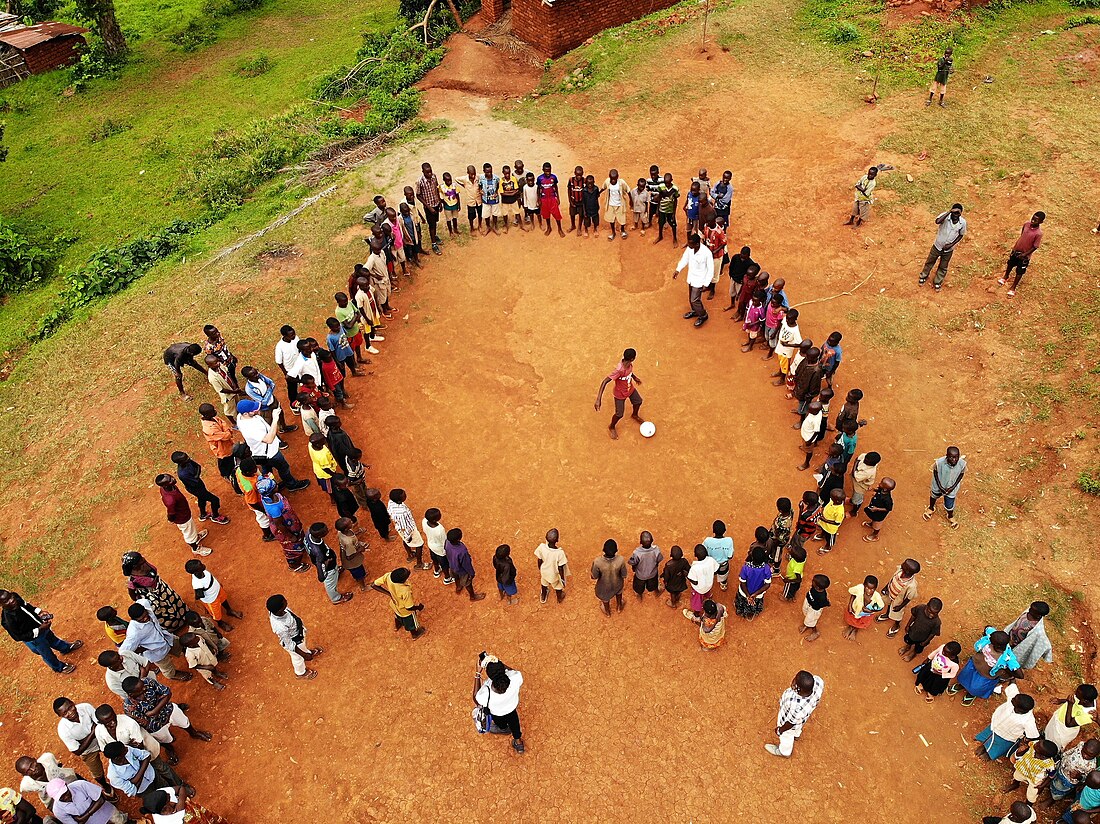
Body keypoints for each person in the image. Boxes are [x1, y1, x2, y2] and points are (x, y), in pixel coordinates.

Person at [0, 590, 82, 675]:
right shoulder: (8, 621)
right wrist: (39, 630)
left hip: (41, 625)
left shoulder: (15, 597)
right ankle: (59, 667)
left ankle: (66, 648)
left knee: (53, 639)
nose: (12, 600)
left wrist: (39, 612)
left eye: (10, 597)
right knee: (47, 653)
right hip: (34, 638)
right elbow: (18, 637)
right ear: (1, 604)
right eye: (6, 601)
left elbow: (27, 606)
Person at [235, 400, 310, 492]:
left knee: (267, 469)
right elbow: (269, 439)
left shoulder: (240, 417)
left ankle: (270, 486)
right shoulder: (250, 428)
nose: (257, 410)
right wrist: (275, 419)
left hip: (259, 452)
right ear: (246, 413)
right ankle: (291, 485)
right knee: (284, 468)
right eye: (254, 410)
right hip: (271, 453)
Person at [122, 675, 211, 745]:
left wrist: (154, 711)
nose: (145, 688)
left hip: (168, 709)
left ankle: (193, 733)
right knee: (165, 740)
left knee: (184, 722)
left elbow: (167, 693)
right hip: (155, 726)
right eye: (140, 690)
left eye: (143, 685)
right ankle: (170, 749)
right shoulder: (129, 708)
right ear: (131, 694)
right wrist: (160, 702)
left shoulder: (147, 681)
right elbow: (146, 722)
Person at [951, 628, 1022, 705]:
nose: (988, 638)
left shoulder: (1008, 658)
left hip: (986, 675)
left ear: (997, 645)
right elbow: (988, 628)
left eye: (990, 640)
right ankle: (962, 685)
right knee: (965, 675)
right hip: (974, 663)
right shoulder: (992, 636)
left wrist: (1008, 672)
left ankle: (972, 694)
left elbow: (1020, 675)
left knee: (976, 687)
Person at [120, 604, 189, 681]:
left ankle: (189, 654)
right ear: (134, 620)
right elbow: (123, 652)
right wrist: (141, 649)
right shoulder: (134, 633)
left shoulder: (145, 604)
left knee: (180, 645)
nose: (145, 618)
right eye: (141, 619)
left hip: (166, 637)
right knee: (166, 667)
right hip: (157, 653)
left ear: (145, 610)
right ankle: (173, 675)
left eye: (145, 615)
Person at [473, 655, 526, 753]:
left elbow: (476, 698)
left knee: (500, 722)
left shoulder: (485, 693)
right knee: (514, 722)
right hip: (511, 708)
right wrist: (497, 663)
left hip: (497, 713)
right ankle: (518, 743)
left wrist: (477, 673)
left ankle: (503, 729)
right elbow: (513, 671)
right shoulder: (515, 678)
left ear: (490, 676)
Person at [765, 671, 824, 758]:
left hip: (789, 724)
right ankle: (796, 735)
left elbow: (790, 723)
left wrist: (780, 730)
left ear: (797, 688)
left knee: (786, 736)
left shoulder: (795, 707)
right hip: (802, 718)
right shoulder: (818, 682)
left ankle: (784, 752)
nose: (793, 681)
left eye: (795, 680)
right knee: (799, 725)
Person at [975, 682, 1040, 760]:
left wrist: (1026, 741)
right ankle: (984, 746)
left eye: (1014, 700)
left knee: (997, 746)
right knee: (988, 735)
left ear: (1019, 708)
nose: (1012, 698)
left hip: (1006, 737)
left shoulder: (1028, 721)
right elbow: (1012, 685)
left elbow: (1033, 736)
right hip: (996, 725)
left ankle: (988, 755)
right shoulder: (1014, 699)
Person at [53, 699, 108, 788]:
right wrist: (93, 732)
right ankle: (105, 786)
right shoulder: (63, 730)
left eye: (70, 707)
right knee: (98, 774)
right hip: (88, 751)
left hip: (102, 738)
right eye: (65, 713)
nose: (70, 712)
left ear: (73, 703)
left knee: (115, 751)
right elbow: (77, 751)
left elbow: (100, 723)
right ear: (60, 716)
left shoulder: (86, 707)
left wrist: (82, 741)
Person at [101, 742, 184, 799]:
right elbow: (132, 791)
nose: (127, 749)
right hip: (144, 790)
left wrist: (135, 779)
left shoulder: (126, 749)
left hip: (153, 775)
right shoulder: (113, 775)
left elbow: (146, 755)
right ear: (118, 758)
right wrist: (143, 766)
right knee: (159, 800)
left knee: (167, 789)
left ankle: (175, 798)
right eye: (124, 750)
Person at [594, 347, 645, 440]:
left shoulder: (629, 364)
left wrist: (635, 377)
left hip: (630, 389)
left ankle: (634, 415)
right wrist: (598, 399)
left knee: (638, 402)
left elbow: (630, 372)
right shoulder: (619, 370)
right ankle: (612, 426)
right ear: (632, 358)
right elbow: (605, 381)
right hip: (620, 394)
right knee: (619, 414)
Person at [154, 475, 212, 557]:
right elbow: (171, 513)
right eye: (170, 480)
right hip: (182, 518)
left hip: (185, 513)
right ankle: (195, 548)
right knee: (188, 534)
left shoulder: (170, 487)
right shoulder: (170, 499)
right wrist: (172, 520)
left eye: (170, 477)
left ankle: (196, 538)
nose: (173, 479)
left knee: (191, 529)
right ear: (165, 485)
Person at [266, 594, 320, 680]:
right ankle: (300, 673)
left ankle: (307, 652)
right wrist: (304, 655)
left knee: (303, 647)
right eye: (284, 602)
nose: (286, 601)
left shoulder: (277, 611)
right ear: (280, 610)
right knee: (297, 658)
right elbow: (289, 644)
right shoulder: (280, 627)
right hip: (295, 642)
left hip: (298, 635)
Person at [171, 452, 228, 527]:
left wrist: (196, 475)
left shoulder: (187, 461)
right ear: (179, 462)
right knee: (215, 500)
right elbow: (196, 479)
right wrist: (197, 475)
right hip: (195, 489)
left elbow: (198, 467)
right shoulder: (183, 474)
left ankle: (203, 514)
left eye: (187, 456)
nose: (188, 458)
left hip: (198, 485)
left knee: (201, 499)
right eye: (185, 458)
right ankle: (215, 516)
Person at [919, 204, 967, 290]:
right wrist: (949, 212)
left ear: (960, 214)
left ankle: (937, 282)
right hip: (937, 246)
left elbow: (961, 235)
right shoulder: (945, 216)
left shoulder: (962, 222)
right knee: (930, 261)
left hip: (948, 250)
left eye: (958, 213)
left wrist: (951, 245)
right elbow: (937, 221)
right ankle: (923, 276)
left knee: (943, 266)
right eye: (954, 213)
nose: (955, 215)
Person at [184, 559, 240, 632]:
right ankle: (220, 623)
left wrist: (217, 584)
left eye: (200, 563)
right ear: (196, 571)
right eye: (200, 565)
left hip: (218, 590)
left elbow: (211, 578)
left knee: (224, 599)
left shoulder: (203, 571)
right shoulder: (197, 584)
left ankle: (229, 610)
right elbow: (199, 595)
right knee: (216, 613)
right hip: (211, 599)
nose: (203, 565)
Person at [93, 703, 162, 763]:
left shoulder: (129, 723)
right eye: (108, 723)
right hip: (126, 760)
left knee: (159, 767)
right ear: (100, 723)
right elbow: (105, 750)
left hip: (146, 749)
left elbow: (139, 746)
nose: (113, 722)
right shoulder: (99, 731)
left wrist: (119, 750)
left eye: (114, 718)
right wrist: (128, 745)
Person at [999, 211, 1045, 297]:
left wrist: (1025, 254)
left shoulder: (1039, 233)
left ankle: (1013, 287)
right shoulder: (1026, 224)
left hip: (1024, 256)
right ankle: (1005, 276)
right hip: (1016, 250)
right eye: (1033, 218)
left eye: (1036, 220)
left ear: (1041, 222)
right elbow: (1022, 234)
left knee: (1019, 271)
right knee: (1010, 264)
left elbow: (1035, 246)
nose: (1033, 221)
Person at [305, 522, 353, 606]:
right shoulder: (319, 553)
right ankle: (336, 598)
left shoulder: (309, 532)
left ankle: (336, 572)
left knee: (334, 571)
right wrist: (326, 566)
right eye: (325, 531)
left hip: (322, 559)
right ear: (319, 536)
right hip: (328, 568)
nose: (328, 530)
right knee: (330, 583)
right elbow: (321, 577)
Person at [371, 568, 425, 639]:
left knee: (397, 615)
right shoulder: (405, 590)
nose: (408, 570)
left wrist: (389, 594)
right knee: (411, 622)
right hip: (405, 611)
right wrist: (418, 607)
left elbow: (373, 585)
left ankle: (397, 626)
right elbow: (409, 607)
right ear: (403, 581)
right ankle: (415, 634)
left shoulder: (388, 576)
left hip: (394, 605)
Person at [674, 233, 714, 327]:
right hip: (691, 278)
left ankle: (703, 315)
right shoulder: (690, 249)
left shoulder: (706, 253)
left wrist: (706, 283)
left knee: (694, 300)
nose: (688, 245)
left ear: (697, 244)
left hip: (700, 280)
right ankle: (695, 311)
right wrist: (678, 269)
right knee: (691, 297)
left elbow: (710, 269)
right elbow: (685, 259)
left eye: (690, 243)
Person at [45, 778, 126, 824]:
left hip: (108, 813)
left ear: (66, 784)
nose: (66, 797)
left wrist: (85, 816)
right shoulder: (58, 810)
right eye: (61, 797)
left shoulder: (80, 785)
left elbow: (101, 799)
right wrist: (94, 804)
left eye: (66, 793)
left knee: (122, 821)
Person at [387, 489, 431, 570]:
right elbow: (404, 527)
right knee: (419, 544)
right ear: (399, 499)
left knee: (405, 540)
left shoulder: (391, 503)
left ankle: (410, 554)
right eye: (404, 495)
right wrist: (408, 537)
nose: (405, 495)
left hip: (399, 528)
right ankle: (419, 564)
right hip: (409, 531)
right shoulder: (402, 512)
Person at [876, 559, 921, 637]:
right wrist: (886, 587)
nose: (902, 564)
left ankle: (896, 625)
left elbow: (909, 598)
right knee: (889, 605)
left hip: (898, 601)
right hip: (890, 594)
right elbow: (892, 580)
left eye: (904, 564)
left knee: (897, 615)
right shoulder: (899, 570)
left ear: (907, 571)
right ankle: (887, 614)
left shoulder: (911, 586)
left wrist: (900, 607)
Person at [1046, 685, 1098, 751]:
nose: (1074, 695)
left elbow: (1069, 724)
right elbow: (1073, 700)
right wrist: (1061, 701)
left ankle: (1052, 752)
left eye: (1077, 696)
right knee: (1049, 733)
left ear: (1085, 701)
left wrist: (1070, 705)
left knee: (1054, 744)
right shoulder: (1085, 698)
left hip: (1063, 730)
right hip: (1057, 720)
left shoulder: (1089, 715)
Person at [925, 446, 966, 528]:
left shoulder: (962, 464)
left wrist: (953, 487)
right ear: (946, 456)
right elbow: (935, 472)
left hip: (951, 489)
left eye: (956, 457)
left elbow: (961, 474)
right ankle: (931, 508)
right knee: (934, 496)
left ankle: (950, 516)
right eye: (951, 457)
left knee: (950, 504)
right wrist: (940, 486)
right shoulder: (939, 462)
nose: (954, 459)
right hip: (938, 485)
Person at [1006, 601, 1054, 670]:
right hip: (1009, 638)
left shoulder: (1038, 630)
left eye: (1032, 610)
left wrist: (1047, 654)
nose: (1029, 609)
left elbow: (1046, 644)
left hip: (1016, 645)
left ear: (1038, 615)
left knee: (1009, 661)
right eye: (1030, 608)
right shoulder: (1027, 613)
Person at [142, 787, 229, 824]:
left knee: (211, 817)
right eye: (168, 798)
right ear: (165, 806)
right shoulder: (167, 822)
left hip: (196, 810)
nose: (170, 795)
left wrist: (181, 802)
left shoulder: (161, 792)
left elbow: (180, 788)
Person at [444, 528, 486, 602]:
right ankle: (472, 597)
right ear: (458, 539)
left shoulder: (447, 542)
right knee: (468, 583)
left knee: (456, 578)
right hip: (462, 571)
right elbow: (466, 564)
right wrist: (471, 573)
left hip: (452, 566)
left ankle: (458, 588)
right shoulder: (462, 551)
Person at [591, 539, 628, 616]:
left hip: (604, 587)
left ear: (603, 550)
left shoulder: (597, 562)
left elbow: (594, 576)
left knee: (605, 599)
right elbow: (624, 575)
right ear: (616, 550)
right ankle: (619, 607)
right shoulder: (620, 560)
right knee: (619, 593)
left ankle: (607, 612)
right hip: (618, 584)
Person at [736, 545, 773, 620]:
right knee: (754, 604)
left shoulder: (746, 568)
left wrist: (748, 595)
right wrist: (754, 595)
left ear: (752, 557)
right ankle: (751, 614)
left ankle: (740, 611)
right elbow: (767, 585)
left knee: (742, 602)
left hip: (744, 592)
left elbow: (743, 583)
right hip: (758, 595)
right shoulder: (766, 569)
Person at [843, 575, 884, 641]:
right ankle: (850, 627)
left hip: (865, 615)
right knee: (852, 619)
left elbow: (880, 607)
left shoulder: (877, 597)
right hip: (855, 609)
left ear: (876, 588)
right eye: (867, 588)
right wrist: (850, 605)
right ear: (864, 585)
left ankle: (855, 630)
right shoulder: (859, 588)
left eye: (872, 589)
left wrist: (870, 610)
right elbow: (853, 594)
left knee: (860, 622)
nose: (869, 591)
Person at [535, 529, 569, 604]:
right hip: (554, 575)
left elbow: (539, 560)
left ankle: (543, 596)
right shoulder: (560, 553)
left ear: (546, 538)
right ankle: (559, 598)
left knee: (544, 583)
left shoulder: (541, 547)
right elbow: (560, 568)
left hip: (544, 571)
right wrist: (562, 579)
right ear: (557, 540)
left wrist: (540, 569)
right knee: (558, 586)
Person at [415, 162, 443, 254]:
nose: (430, 174)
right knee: (431, 225)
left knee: (435, 222)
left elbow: (437, 189)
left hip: (436, 204)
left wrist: (440, 202)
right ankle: (434, 243)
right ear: (423, 171)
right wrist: (428, 207)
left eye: (430, 171)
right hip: (429, 207)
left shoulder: (434, 177)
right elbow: (418, 195)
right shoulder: (420, 182)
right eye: (427, 172)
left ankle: (434, 236)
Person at [335, 517, 368, 592]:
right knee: (358, 573)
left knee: (359, 571)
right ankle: (363, 587)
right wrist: (360, 550)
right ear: (346, 529)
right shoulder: (348, 542)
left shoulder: (341, 532)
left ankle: (362, 576)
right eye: (350, 523)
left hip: (351, 555)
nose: (352, 522)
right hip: (353, 562)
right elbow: (349, 557)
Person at [628, 531, 663, 600]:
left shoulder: (637, 553)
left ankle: (639, 595)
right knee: (654, 584)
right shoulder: (656, 550)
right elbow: (658, 560)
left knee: (639, 587)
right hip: (652, 574)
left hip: (640, 575)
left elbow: (633, 563)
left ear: (640, 542)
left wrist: (634, 569)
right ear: (652, 540)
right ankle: (657, 592)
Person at [702, 520, 734, 592]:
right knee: (723, 575)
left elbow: (702, 551)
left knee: (710, 573)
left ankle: (708, 583)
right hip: (723, 565)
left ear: (713, 531)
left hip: (711, 563)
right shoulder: (729, 541)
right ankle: (723, 584)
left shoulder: (707, 541)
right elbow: (730, 556)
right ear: (725, 530)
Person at [687, 544, 719, 616]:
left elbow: (695, 582)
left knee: (697, 601)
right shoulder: (711, 560)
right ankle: (709, 596)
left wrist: (687, 576)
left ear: (695, 555)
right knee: (707, 592)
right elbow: (716, 571)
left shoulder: (695, 568)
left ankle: (696, 613)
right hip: (709, 585)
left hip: (699, 589)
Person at [422, 507, 452, 584]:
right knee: (444, 565)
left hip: (431, 545)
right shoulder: (440, 529)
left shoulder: (424, 521)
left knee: (434, 560)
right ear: (435, 520)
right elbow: (444, 542)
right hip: (440, 550)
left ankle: (436, 571)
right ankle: (447, 578)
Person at [536, 161, 565, 236]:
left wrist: (558, 197)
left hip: (552, 198)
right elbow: (538, 189)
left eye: (549, 171)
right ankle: (549, 227)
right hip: (544, 199)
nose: (548, 173)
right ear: (543, 170)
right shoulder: (540, 178)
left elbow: (555, 187)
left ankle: (560, 228)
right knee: (546, 215)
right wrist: (539, 199)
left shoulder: (553, 177)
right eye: (546, 171)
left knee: (557, 214)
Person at [849, 451, 880, 516]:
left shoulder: (868, 472)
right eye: (865, 458)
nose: (864, 460)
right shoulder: (865, 456)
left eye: (866, 460)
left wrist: (856, 462)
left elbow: (854, 474)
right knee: (854, 494)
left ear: (872, 464)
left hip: (861, 484)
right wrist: (856, 462)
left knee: (857, 498)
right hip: (858, 478)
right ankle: (851, 501)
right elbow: (859, 458)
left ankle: (854, 511)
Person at [602, 169, 631, 240]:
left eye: (614, 179)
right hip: (611, 204)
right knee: (611, 219)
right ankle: (613, 232)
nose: (613, 181)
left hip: (620, 204)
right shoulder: (607, 182)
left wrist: (631, 200)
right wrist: (597, 194)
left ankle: (623, 230)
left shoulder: (621, 183)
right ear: (609, 177)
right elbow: (603, 188)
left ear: (618, 177)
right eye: (611, 179)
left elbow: (628, 191)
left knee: (622, 219)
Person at [815, 488, 845, 554]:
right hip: (824, 523)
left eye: (832, 497)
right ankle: (822, 535)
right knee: (823, 529)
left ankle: (828, 546)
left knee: (829, 537)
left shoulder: (839, 511)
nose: (830, 498)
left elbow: (837, 523)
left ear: (837, 501)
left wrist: (824, 520)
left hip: (830, 528)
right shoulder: (833, 501)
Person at [654, 172, 679, 244]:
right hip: (662, 209)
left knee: (673, 224)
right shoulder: (661, 187)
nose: (667, 184)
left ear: (672, 180)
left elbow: (675, 201)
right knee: (661, 223)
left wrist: (674, 213)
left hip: (670, 211)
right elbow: (659, 197)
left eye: (668, 183)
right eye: (665, 183)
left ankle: (675, 238)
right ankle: (660, 236)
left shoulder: (675, 189)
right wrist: (657, 209)